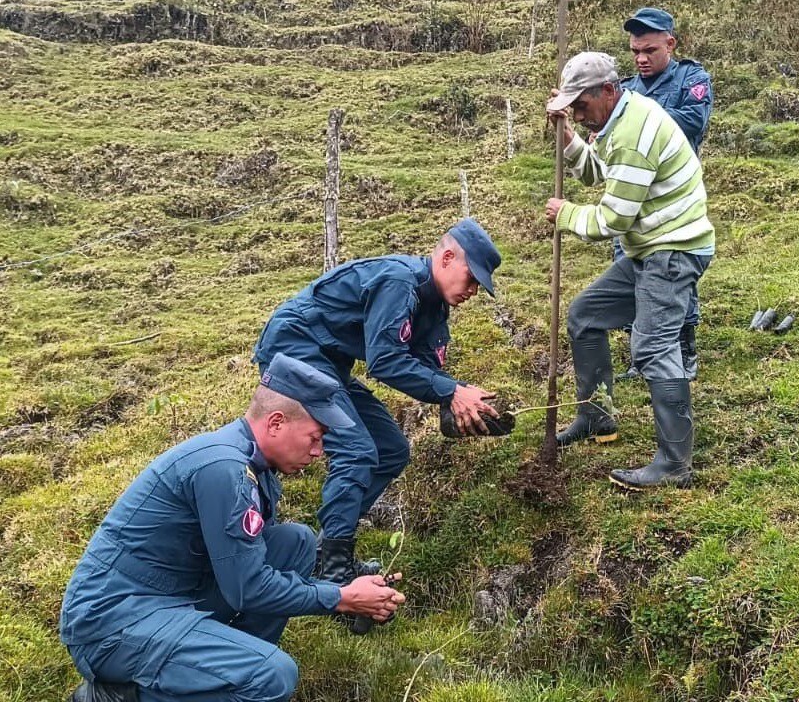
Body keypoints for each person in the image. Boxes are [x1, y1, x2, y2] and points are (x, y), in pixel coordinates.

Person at [60, 354, 406, 702]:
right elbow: (249, 588)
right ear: (275, 423)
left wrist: (353, 593)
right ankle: (116, 695)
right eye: (315, 438)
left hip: (168, 597)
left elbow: (252, 568)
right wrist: (342, 598)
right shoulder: (225, 470)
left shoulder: (253, 464)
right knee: (273, 676)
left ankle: (221, 668)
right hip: (111, 623)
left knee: (295, 543)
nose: (319, 452)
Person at [253, 219, 502, 594]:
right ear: (447, 257)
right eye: (471, 279)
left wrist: (464, 403)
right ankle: (334, 570)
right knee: (356, 450)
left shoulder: (434, 308)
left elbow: (427, 369)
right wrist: (450, 392)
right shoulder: (399, 281)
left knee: (391, 450)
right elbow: (385, 362)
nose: (472, 291)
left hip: (329, 364)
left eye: (479, 287)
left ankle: (325, 550)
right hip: (295, 349)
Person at [544, 51, 715, 490]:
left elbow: (612, 220)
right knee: (585, 316)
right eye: (571, 108)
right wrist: (566, 137)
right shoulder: (615, 121)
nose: (578, 115)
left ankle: (675, 464)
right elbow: (598, 172)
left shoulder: (634, 131)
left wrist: (566, 215)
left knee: (654, 346)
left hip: (672, 250)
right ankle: (596, 418)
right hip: (648, 249)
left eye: (580, 106)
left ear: (608, 90)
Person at [614, 7, 713, 381]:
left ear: (670, 44)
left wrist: (635, 116)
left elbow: (693, 121)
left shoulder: (692, 77)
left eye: (650, 50)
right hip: (631, 197)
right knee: (629, 268)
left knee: (673, 271)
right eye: (636, 51)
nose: (641, 58)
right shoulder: (627, 86)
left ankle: (684, 351)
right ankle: (639, 355)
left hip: (673, 200)